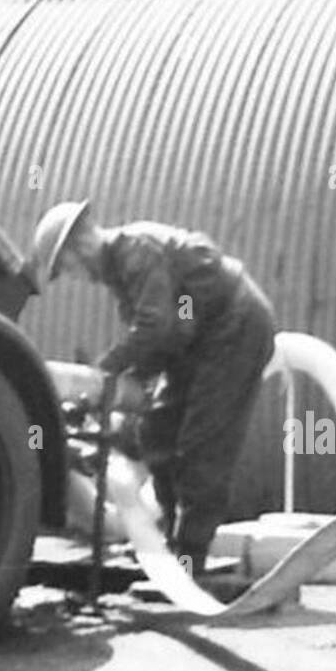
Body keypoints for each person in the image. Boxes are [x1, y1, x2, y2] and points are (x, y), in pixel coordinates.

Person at [33, 203, 276, 574]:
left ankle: (190, 554)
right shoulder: (124, 274)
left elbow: (156, 325)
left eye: (67, 268)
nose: (75, 277)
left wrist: (105, 370)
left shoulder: (136, 251)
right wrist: (126, 380)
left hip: (233, 326)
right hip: (196, 340)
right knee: (156, 432)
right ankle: (165, 540)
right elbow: (170, 330)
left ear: (79, 249)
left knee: (202, 442)